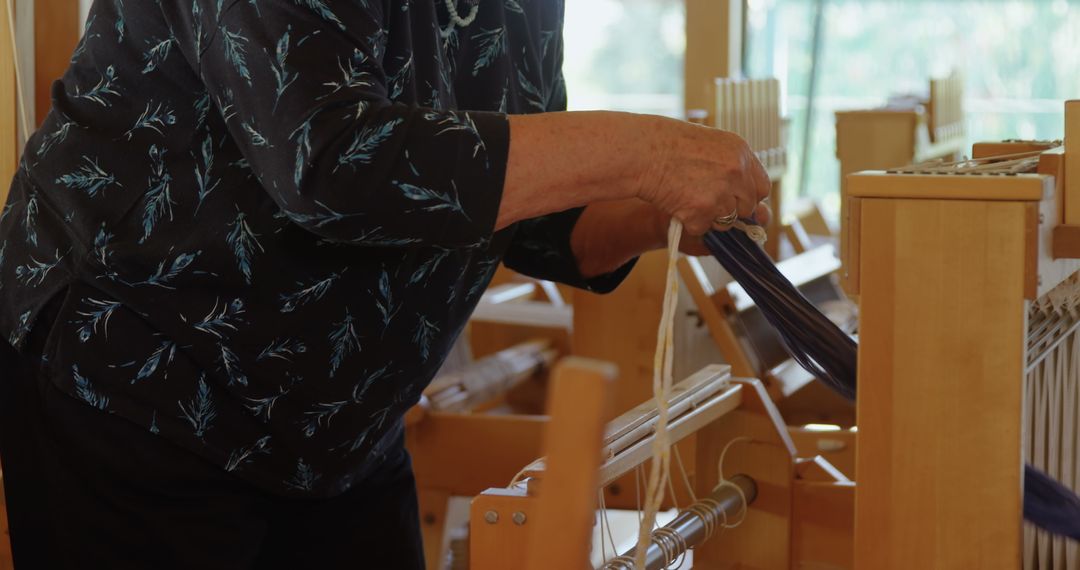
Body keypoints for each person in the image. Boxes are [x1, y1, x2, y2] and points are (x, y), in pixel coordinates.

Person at [0, 0, 770, 568]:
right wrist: (643, 152)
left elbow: (530, 216)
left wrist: (657, 213)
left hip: (339, 426)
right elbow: (328, 159)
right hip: (143, 380)